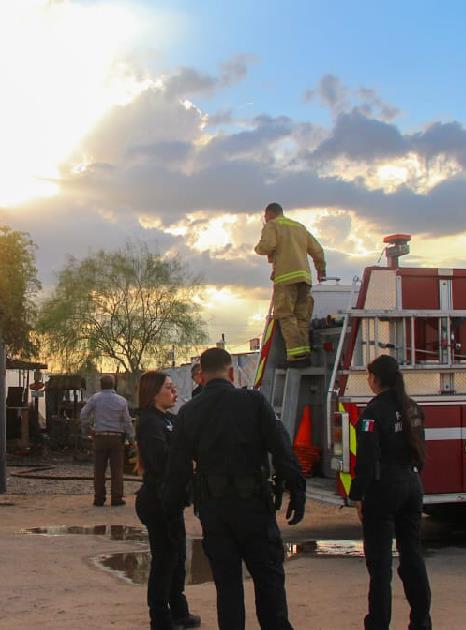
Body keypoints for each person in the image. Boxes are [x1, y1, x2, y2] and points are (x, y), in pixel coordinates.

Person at [162, 348, 306, 630]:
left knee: (227, 588)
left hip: (215, 511)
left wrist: (170, 510)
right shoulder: (253, 402)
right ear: (231, 372)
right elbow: (281, 448)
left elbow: (177, 469)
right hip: (254, 506)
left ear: (201, 376)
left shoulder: (189, 412)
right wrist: (297, 489)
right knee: (269, 582)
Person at [349, 355, 431, 630]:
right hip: (411, 484)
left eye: (369, 376)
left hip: (384, 489)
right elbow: (420, 447)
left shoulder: (371, 414)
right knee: (412, 557)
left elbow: (366, 459)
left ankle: (378, 624)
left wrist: (357, 495)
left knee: (380, 567)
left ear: (375, 379)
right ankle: (421, 621)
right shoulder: (412, 408)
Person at [135, 371, 201, 630]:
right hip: (157, 499)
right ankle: (160, 619)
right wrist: (187, 464)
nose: (174, 392)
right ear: (153, 393)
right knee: (164, 560)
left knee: (176, 559)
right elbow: (160, 459)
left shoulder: (170, 420)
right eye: (169, 388)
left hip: (172, 500)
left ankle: (179, 611)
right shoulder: (150, 422)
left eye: (174, 387)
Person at [253, 202, 326, 363]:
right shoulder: (299, 227)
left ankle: (296, 354)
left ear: (269, 214)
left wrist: (257, 249)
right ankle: (305, 351)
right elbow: (318, 250)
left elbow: (267, 245)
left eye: (265, 218)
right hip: (305, 278)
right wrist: (321, 270)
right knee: (302, 316)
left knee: (285, 314)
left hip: (286, 278)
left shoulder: (272, 225)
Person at [80, 375, 135, 507]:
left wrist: (88, 429)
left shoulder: (95, 399)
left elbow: (83, 414)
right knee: (117, 470)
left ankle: (99, 498)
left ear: (100, 385)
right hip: (117, 439)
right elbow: (127, 422)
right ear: (113, 385)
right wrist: (131, 439)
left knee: (99, 470)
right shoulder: (122, 401)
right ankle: (116, 498)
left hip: (100, 437)